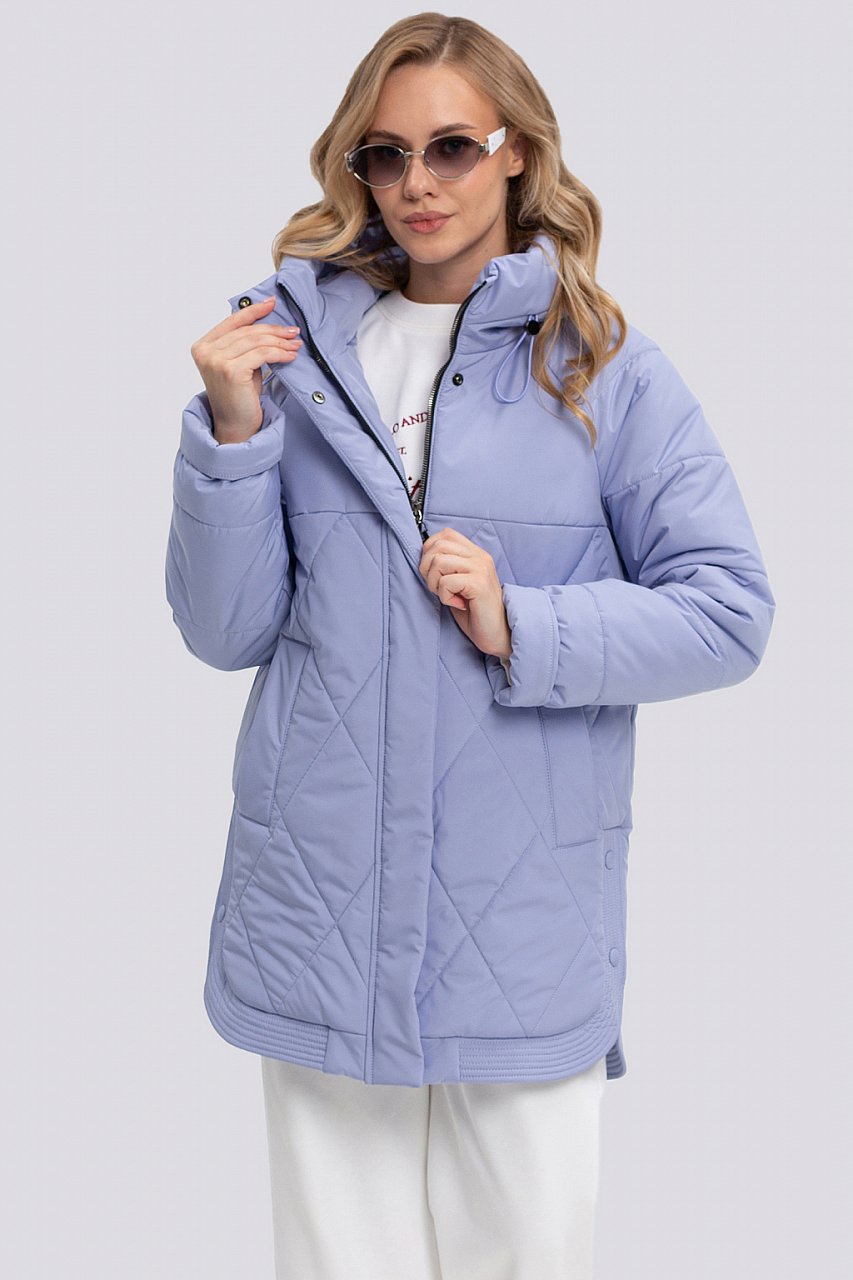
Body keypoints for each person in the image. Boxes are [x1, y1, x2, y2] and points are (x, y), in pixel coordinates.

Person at [165, 12, 775, 1279]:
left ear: (516, 152)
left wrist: (525, 621)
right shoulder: (289, 362)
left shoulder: (601, 370)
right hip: (321, 913)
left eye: (450, 146)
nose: (416, 183)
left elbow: (727, 610)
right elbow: (226, 630)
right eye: (384, 155)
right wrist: (232, 434)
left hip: (522, 928)